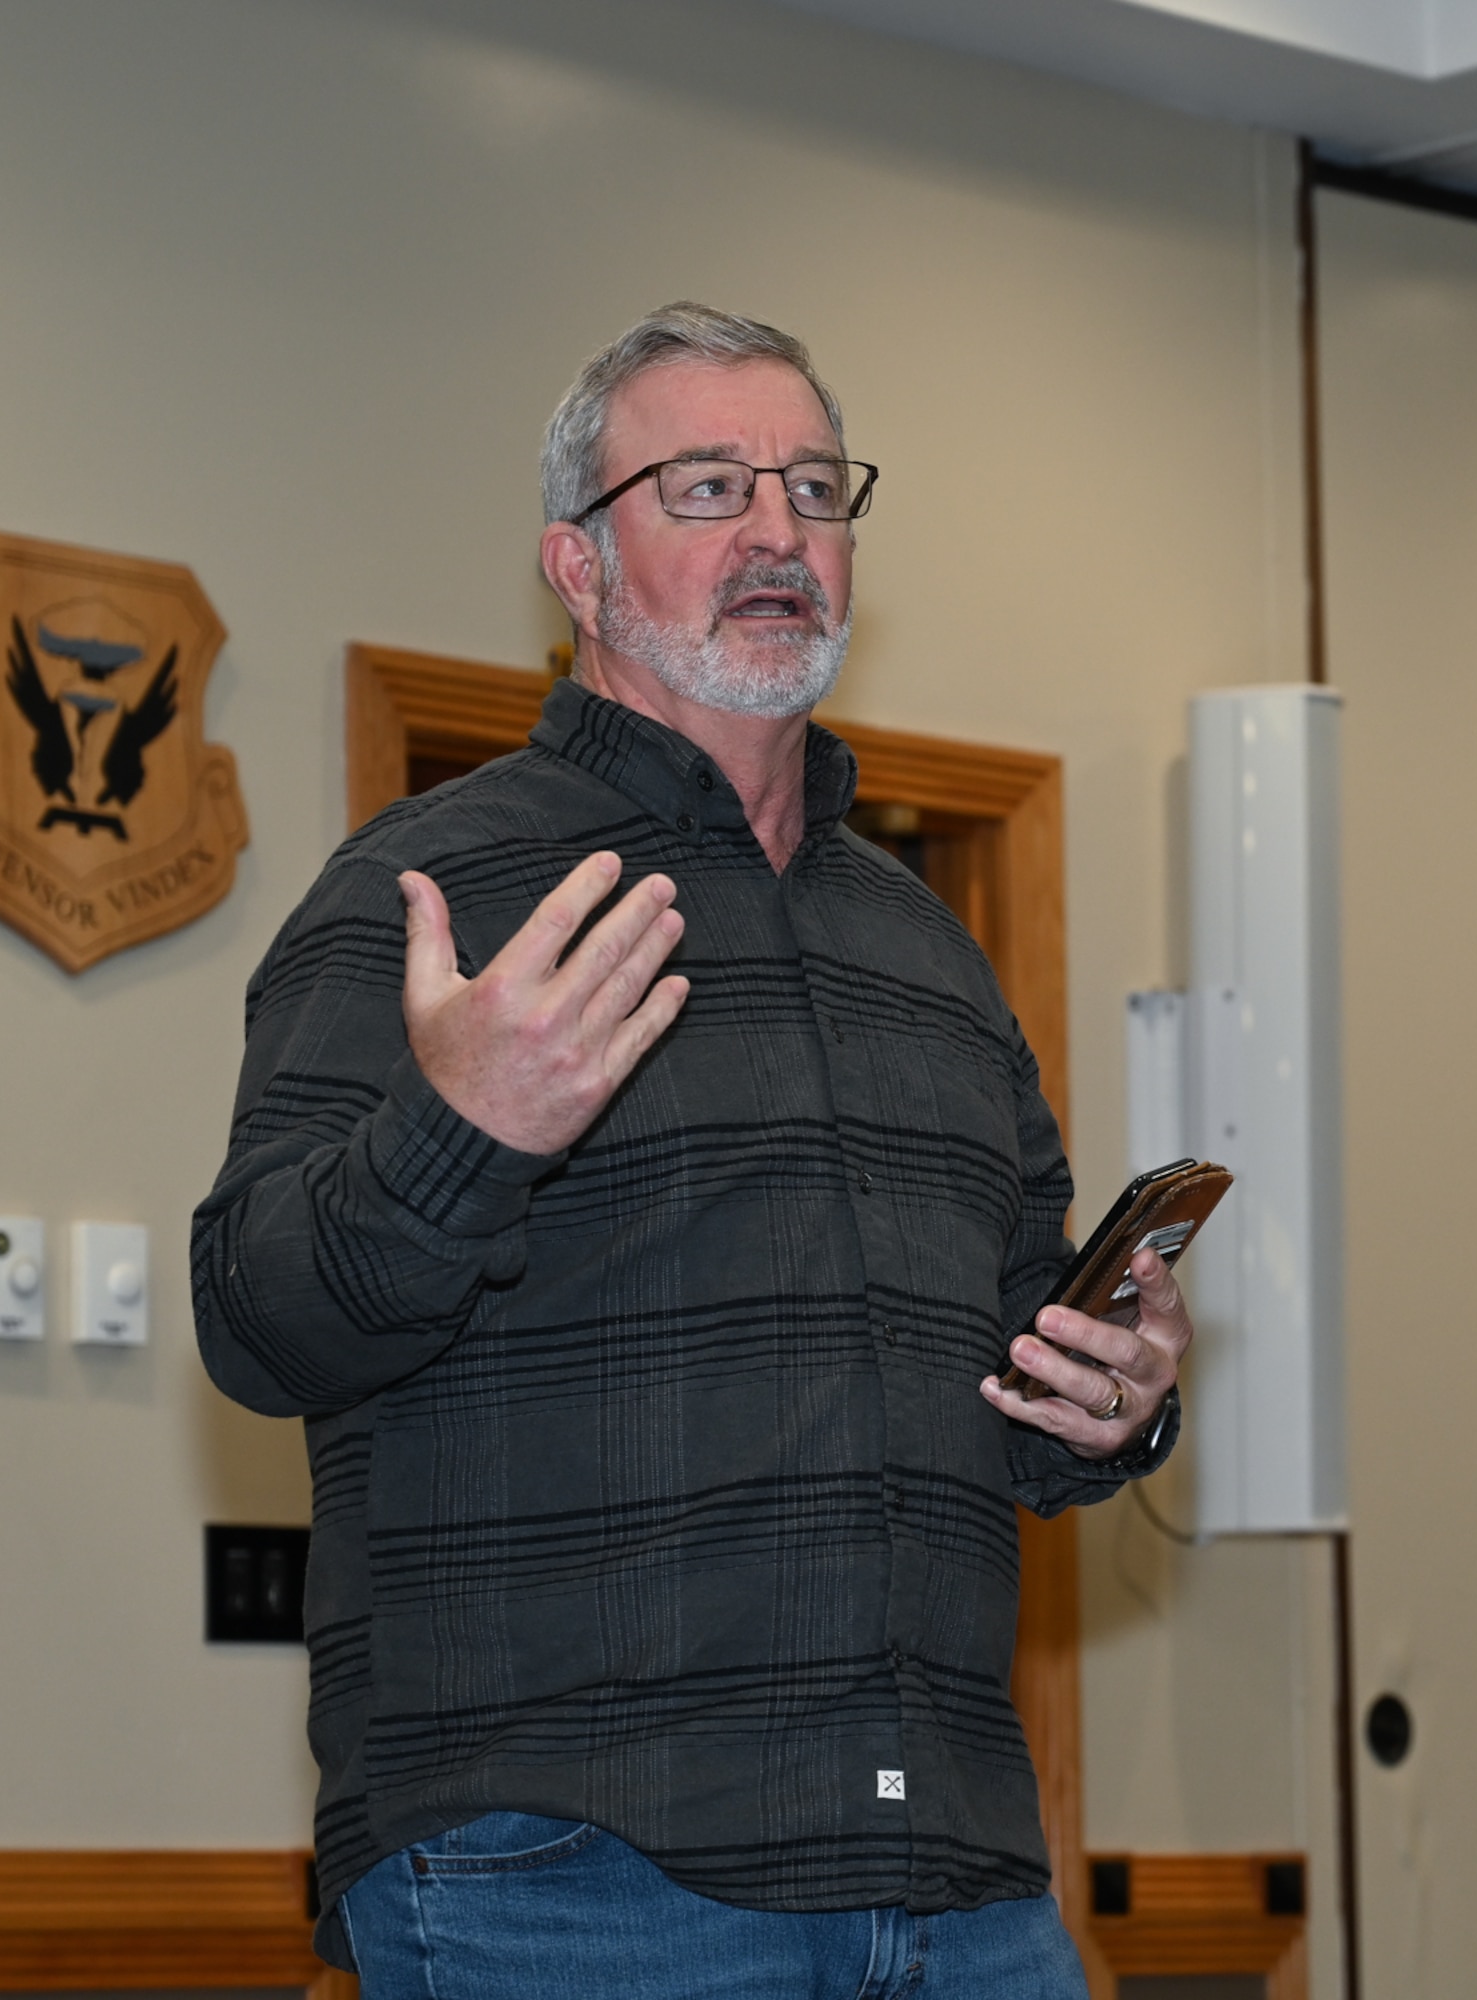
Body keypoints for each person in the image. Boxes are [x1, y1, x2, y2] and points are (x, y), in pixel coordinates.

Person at [192, 302, 1192, 2000]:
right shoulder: (429, 895)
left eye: (815, 486)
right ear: (577, 570)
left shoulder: (929, 957)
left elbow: (1017, 1402)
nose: (782, 531)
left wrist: (1117, 1393)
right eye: (710, 485)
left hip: (956, 1887)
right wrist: (462, 1133)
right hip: (569, 1879)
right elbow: (253, 1317)